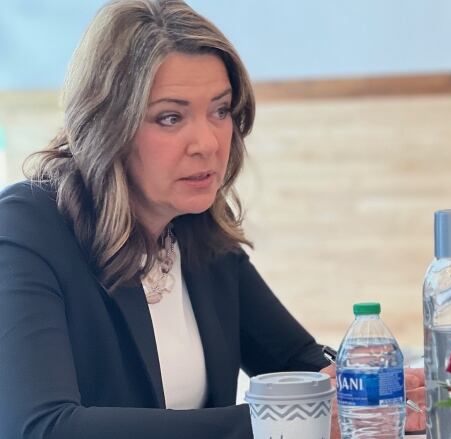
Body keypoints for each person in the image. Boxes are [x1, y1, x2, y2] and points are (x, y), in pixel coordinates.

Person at [0, 1, 425, 438]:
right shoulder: (27, 227)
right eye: (170, 117)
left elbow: (300, 364)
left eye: (220, 111)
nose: (207, 142)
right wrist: (271, 426)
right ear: (109, 124)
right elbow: (38, 427)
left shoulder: (198, 231)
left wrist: (378, 395)